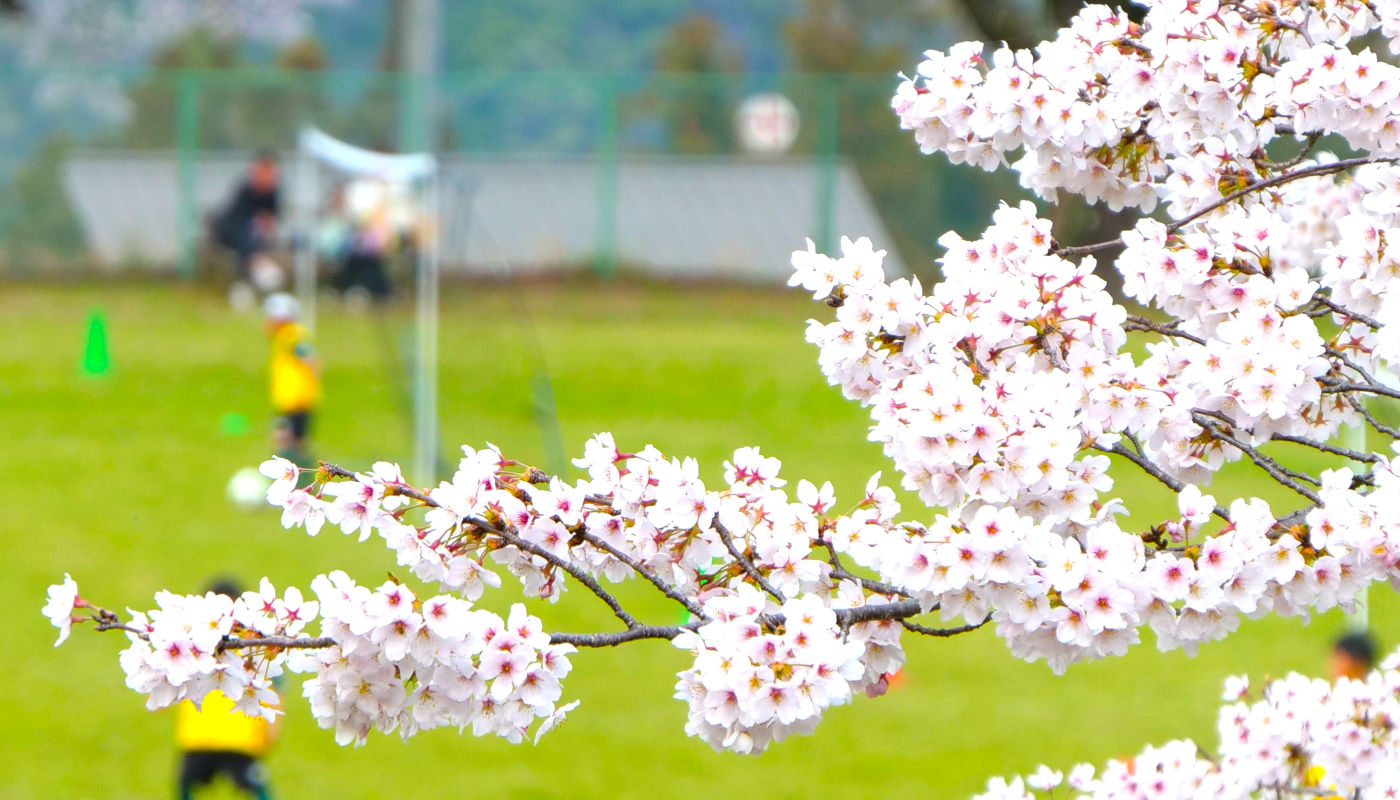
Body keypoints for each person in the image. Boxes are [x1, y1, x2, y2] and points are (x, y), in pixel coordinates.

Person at [175, 579, 278, 800]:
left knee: (186, 789)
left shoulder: (253, 646)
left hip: (221, 738)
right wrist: (271, 734)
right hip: (221, 739)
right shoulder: (251, 645)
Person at [214, 152, 282, 300]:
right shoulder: (246, 189)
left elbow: (272, 218)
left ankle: (257, 280)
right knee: (246, 241)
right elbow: (237, 218)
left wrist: (264, 225)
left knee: (255, 241)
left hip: (255, 234)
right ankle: (246, 282)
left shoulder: (273, 192)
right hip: (230, 231)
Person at [263, 293, 319, 465]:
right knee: (289, 443)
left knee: (288, 444)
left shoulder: (290, 336)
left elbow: (310, 359)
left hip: (295, 402)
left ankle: (297, 483)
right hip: (293, 402)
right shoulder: (285, 337)